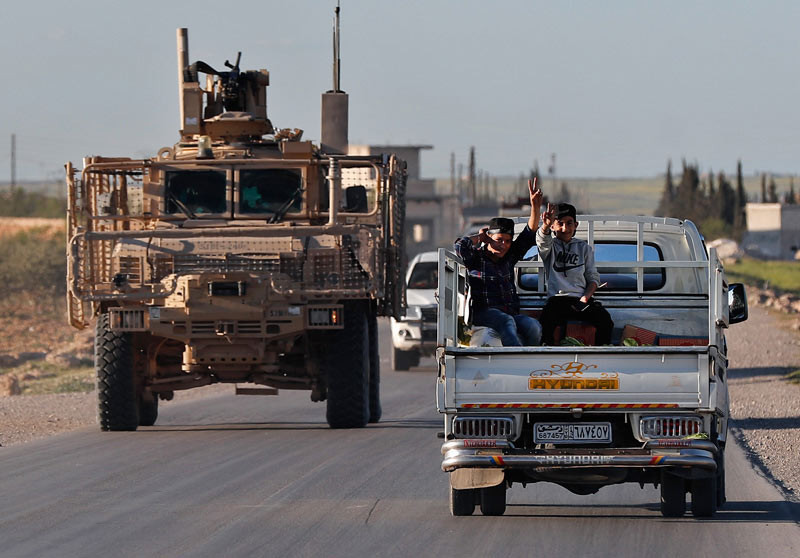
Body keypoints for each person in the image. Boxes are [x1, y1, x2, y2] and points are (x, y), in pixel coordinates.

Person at [454, 180, 543, 346]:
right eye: (499, 240)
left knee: (533, 326)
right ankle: (516, 356)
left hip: (510, 313)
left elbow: (529, 232)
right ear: (489, 238)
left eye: (508, 241)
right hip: (483, 313)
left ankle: (532, 358)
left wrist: (535, 207)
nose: (503, 245)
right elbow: (460, 246)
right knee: (506, 321)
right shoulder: (476, 258)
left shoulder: (509, 257)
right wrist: (480, 237)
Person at [536, 202, 614, 345]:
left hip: (580, 299)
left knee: (605, 320)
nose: (565, 228)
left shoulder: (584, 248)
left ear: (576, 225)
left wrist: (584, 298)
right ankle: (549, 355)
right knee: (546, 324)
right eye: (560, 223)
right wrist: (545, 226)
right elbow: (542, 241)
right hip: (557, 300)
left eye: (569, 223)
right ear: (553, 226)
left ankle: (600, 354)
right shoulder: (550, 247)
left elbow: (593, 277)